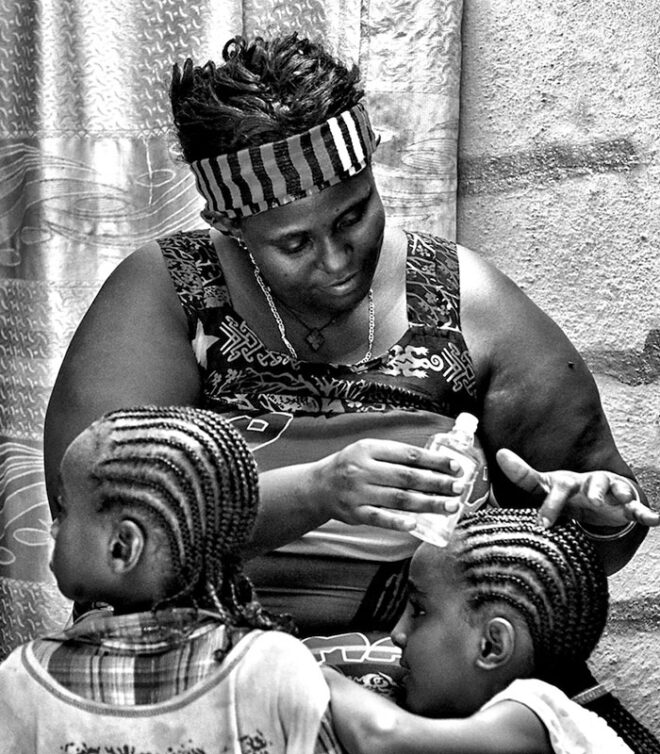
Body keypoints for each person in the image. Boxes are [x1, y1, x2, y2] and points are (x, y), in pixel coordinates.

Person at [43, 32, 659, 636]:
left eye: (354, 215)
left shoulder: (466, 304)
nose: (338, 261)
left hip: (417, 679)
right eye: (295, 243)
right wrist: (317, 491)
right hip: (195, 671)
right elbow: (100, 546)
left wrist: (594, 524)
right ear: (228, 225)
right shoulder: (171, 296)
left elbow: (593, 538)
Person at [0, 406, 340, 753]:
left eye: (64, 509)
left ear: (122, 547)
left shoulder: (26, 679)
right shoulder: (274, 668)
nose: (54, 527)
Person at [323, 508, 660, 754]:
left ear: (492, 645)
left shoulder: (536, 712)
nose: (397, 633)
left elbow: (383, 737)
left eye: (419, 610)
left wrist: (300, 663)